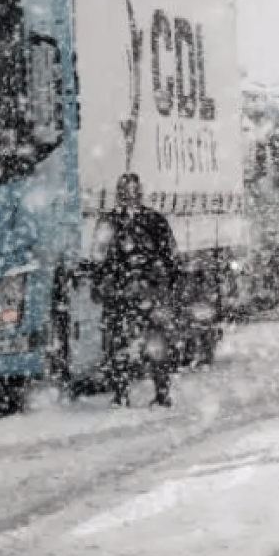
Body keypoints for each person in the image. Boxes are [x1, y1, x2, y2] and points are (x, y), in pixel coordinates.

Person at [93, 173, 178, 408]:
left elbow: (169, 258)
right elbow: (99, 258)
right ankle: (127, 393)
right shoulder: (148, 220)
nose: (130, 195)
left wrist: (159, 281)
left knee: (145, 343)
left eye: (132, 191)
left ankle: (154, 393)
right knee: (123, 344)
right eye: (126, 191)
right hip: (128, 294)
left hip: (139, 293)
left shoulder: (150, 221)